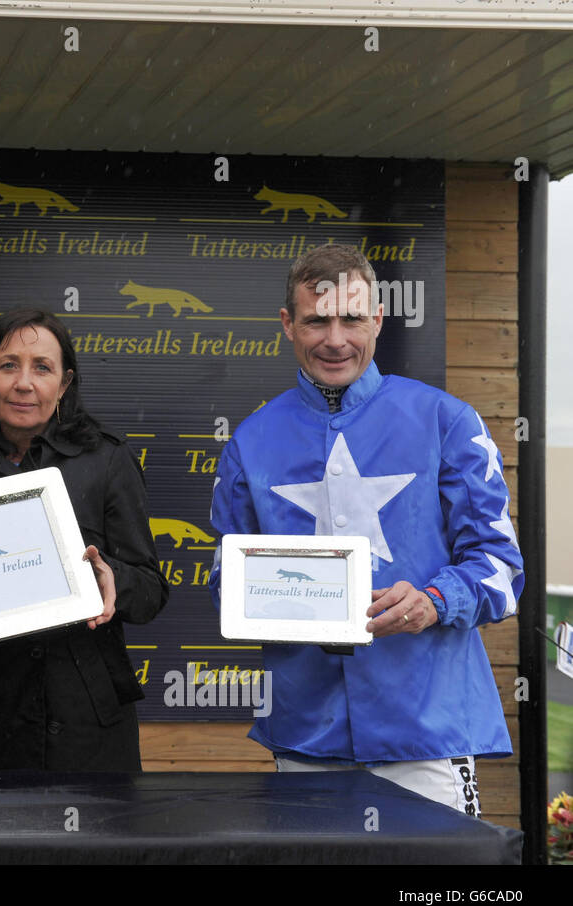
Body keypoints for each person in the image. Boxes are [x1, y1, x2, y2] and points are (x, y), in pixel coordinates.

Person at [209, 245, 522, 814]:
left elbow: (502, 570)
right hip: (304, 735)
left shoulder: (449, 421)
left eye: (352, 319)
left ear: (378, 318)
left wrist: (433, 600)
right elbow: (225, 582)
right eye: (316, 321)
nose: (335, 339)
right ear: (287, 325)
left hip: (427, 733)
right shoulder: (248, 443)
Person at [0, 308, 169, 771]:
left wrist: (110, 580)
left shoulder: (107, 460)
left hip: (84, 718)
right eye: (8, 366)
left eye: (42, 368)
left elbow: (150, 592)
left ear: (64, 385)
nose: (24, 383)